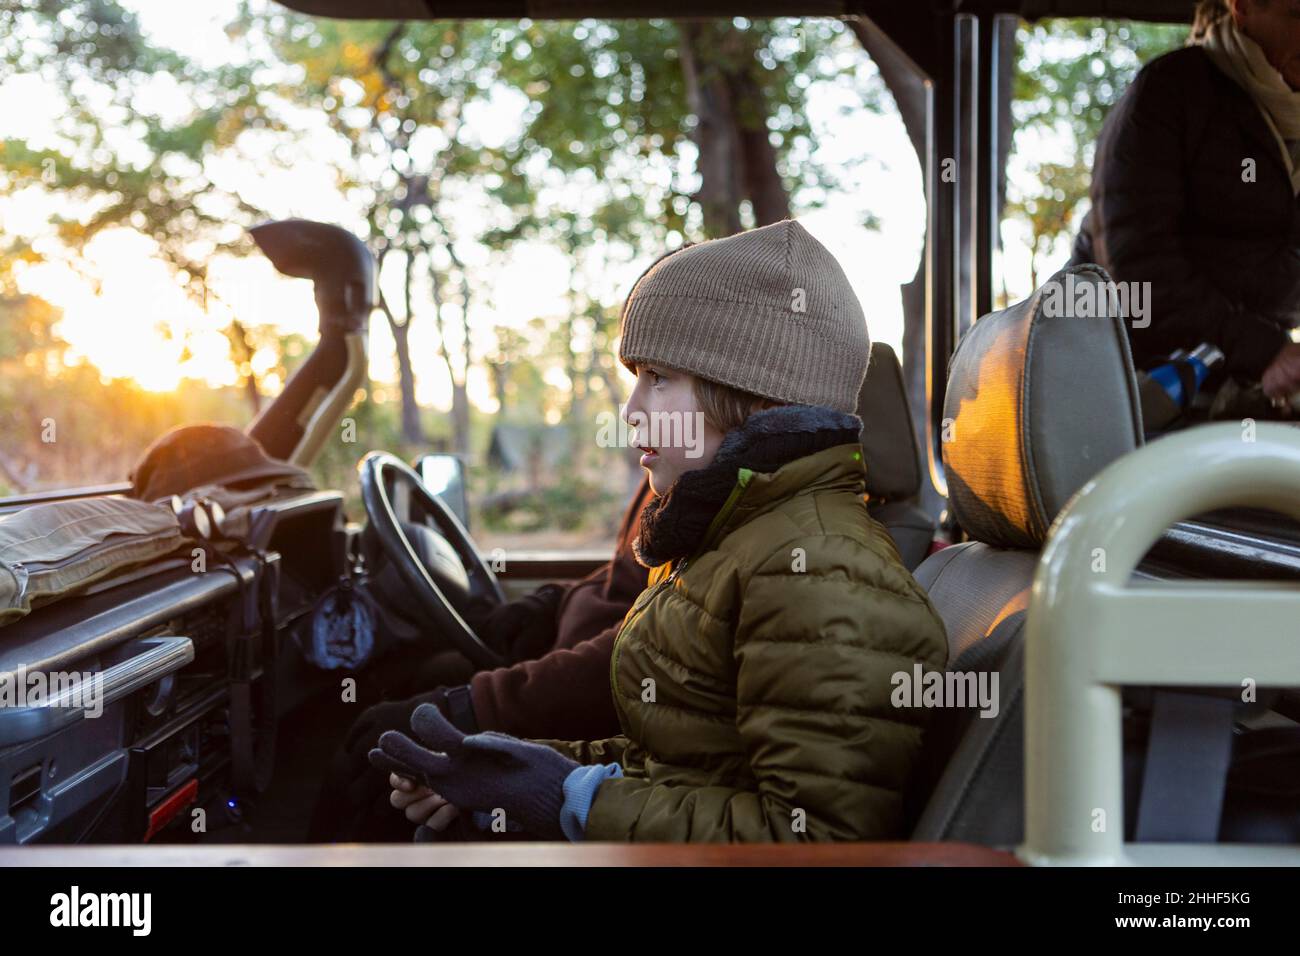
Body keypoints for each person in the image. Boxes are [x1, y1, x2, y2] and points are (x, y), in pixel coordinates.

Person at [371, 220, 949, 842]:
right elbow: (679, 763)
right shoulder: (730, 542)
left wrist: (573, 796)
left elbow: (813, 842)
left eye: (658, 378)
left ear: (747, 393)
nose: (631, 411)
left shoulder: (821, 572)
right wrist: (512, 768)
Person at [307, 478, 652, 842]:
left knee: (377, 745)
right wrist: (549, 602)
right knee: (421, 672)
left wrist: (480, 704)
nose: (630, 417)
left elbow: (634, 658)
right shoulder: (671, 476)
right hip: (567, 662)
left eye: (657, 414)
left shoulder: (695, 484)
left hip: (585, 704)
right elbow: (624, 577)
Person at [1069, 0, 1300, 403]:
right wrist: (1265, 350)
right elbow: (1136, 271)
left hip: (1250, 383)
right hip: (1131, 382)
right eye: (1298, 16)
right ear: (1243, 8)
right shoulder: (1167, 92)